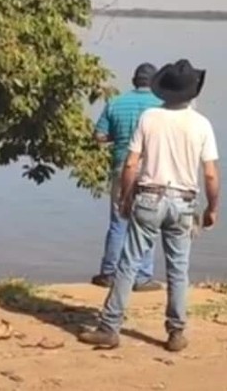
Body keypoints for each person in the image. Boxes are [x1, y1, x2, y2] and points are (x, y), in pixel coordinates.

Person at [79, 59, 220, 352]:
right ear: (192, 93)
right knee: (178, 270)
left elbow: (131, 164)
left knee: (127, 263)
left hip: (149, 197)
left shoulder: (150, 118)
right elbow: (210, 173)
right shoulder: (201, 124)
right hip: (184, 201)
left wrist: (126, 197)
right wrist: (212, 208)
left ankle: (110, 327)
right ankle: (176, 332)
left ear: (164, 90)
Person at [91, 63, 164, 292]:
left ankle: (110, 273)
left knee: (118, 221)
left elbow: (99, 136)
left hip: (122, 167)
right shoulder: (161, 107)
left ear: (134, 80)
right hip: (151, 170)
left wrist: (119, 136)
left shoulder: (115, 103)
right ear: (154, 83)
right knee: (148, 223)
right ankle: (142, 276)